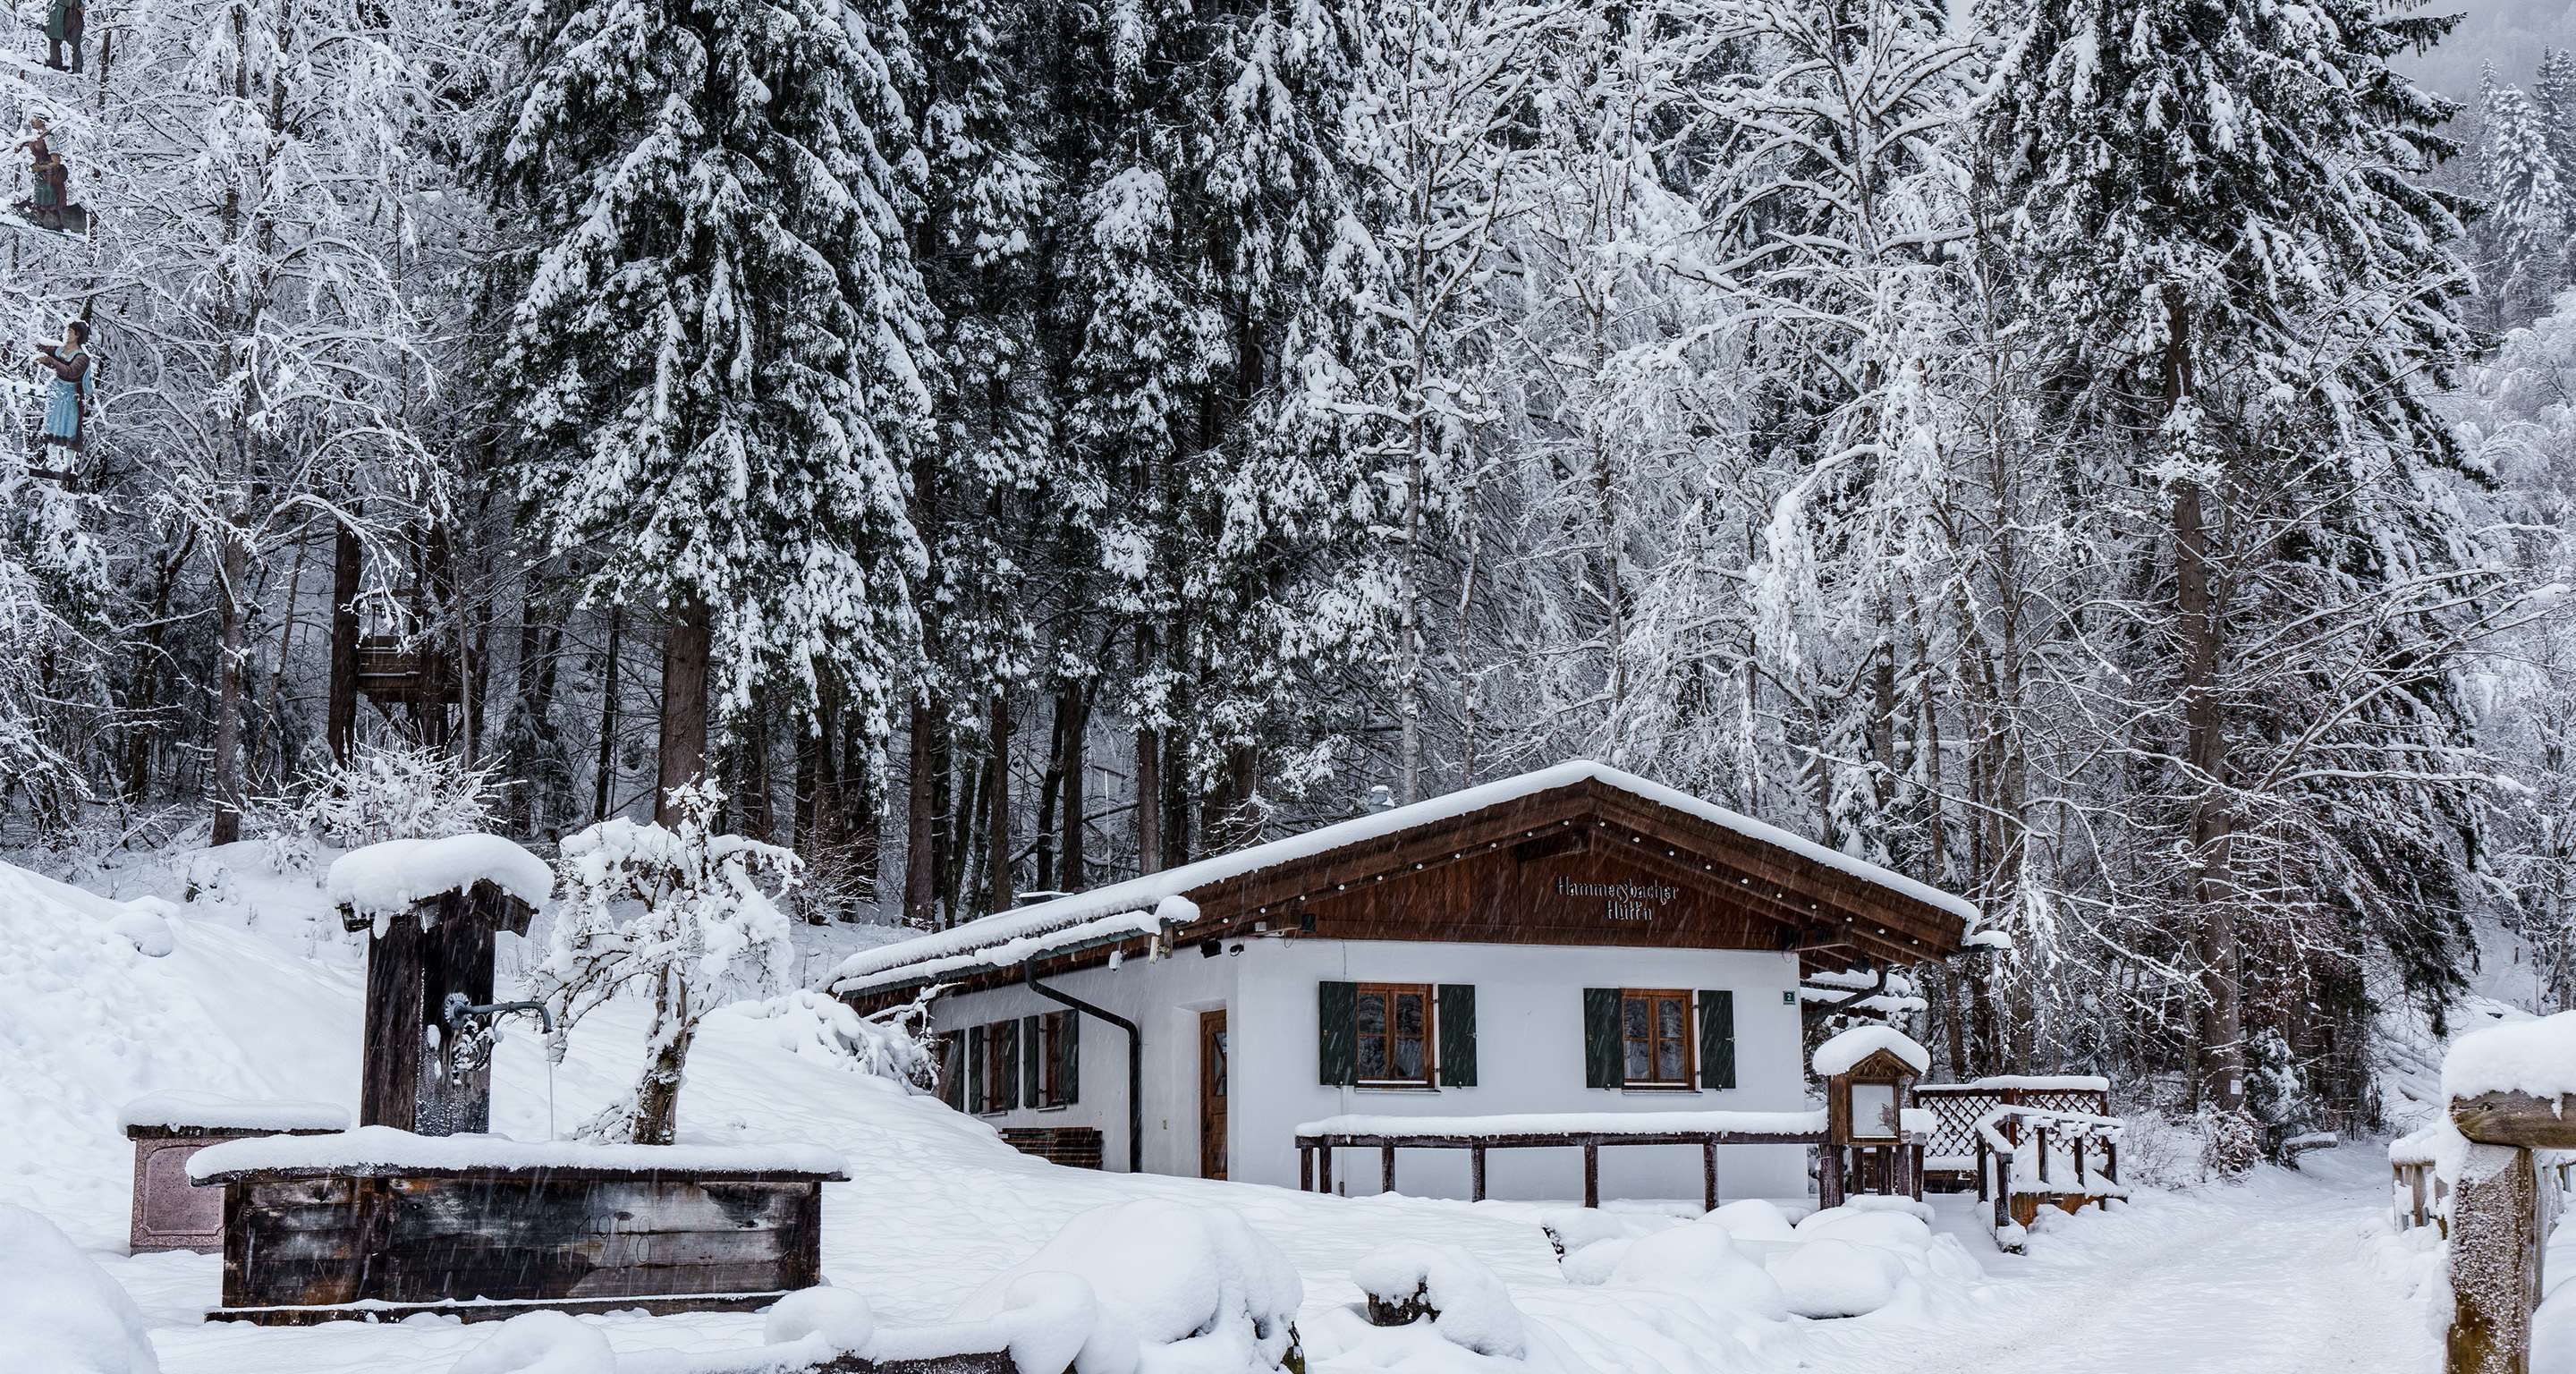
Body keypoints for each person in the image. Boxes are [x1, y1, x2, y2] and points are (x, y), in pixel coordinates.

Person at [30, 320, 92, 462]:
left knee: (69, 428)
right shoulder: (60, 350)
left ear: (77, 335)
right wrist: (34, 328)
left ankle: (67, 466)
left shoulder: (81, 358)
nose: (66, 334)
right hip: (56, 392)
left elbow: (70, 372)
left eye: (69, 332)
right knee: (52, 426)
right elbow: (41, 347)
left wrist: (50, 361)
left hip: (70, 396)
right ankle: (52, 461)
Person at [45, 0, 84, 73]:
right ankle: (77, 68)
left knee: (55, 39)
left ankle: (55, 62)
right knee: (75, 45)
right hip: (75, 13)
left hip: (60, 13)